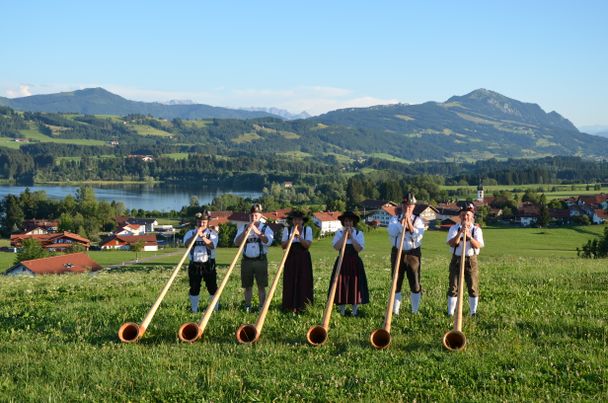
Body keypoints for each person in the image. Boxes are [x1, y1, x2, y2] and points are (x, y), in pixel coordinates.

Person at [387, 193, 425, 315]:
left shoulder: (418, 220)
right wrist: (402, 222)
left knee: (415, 282)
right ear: (402, 205)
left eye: (410, 205)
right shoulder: (394, 219)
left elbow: (417, 236)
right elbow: (392, 232)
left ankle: (414, 311)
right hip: (397, 252)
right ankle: (395, 311)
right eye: (405, 205)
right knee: (396, 281)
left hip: (413, 253)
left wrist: (408, 222)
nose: (407, 207)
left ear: (413, 206)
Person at [234, 203, 274, 313]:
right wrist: (246, 231)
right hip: (246, 260)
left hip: (260, 260)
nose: (253, 217)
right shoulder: (243, 227)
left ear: (260, 216)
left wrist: (256, 231)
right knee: (247, 286)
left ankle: (261, 308)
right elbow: (237, 242)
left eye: (256, 215)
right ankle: (247, 307)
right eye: (252, 215)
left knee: (261, 286)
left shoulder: (266, 227)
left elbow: (268, 241)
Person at [446, 202, 485, 316]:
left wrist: (469, 237)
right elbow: (452, 243)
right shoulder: (454, 228)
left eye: (468, 214)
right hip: (456, 259)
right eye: (463, 214)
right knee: (453, 286)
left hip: (470, 260)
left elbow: (478, 245)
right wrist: (460, 233)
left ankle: (473, 312)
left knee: (472, 286)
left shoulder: (476, 230)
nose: (465, 217)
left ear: (472, 216)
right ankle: (450, 313)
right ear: (460, 216)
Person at [331, 211, 368, 317]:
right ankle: (342, 311)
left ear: (353, 222)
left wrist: (351, 237)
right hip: (342, 261)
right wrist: (344, 237)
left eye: (350, 221)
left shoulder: (358, 233)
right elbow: (336, 247)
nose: (348, 223)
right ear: (343, 222)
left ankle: (354, 311)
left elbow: (359, 248)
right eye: (346, 221)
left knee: (355, 285)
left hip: (354, 262)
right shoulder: (339, 233)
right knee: (341, 284)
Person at [183, 210, 219, 313]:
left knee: (212, 287)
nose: (201, 224)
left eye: (203, 222)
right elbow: (186, 245)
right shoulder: (190, 233)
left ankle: (215, 309)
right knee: (194, 287)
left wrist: (202, 236)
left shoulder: (212, 234)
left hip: (208, 263)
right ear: (196, 222)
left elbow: (212, 245)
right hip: (194, 263)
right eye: (199, 222)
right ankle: (194, 309)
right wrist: (195, 235)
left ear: (207, 222)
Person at [281, 210, 314, 313]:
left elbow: (307, 245)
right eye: (295, 219)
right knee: (290, 280)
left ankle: (303, 306)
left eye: (299, 220)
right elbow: (283, 246)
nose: (297, 222)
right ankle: (289, 306)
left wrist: (299, 236)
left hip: (303, 257)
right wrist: (291, 237)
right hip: (291, 257)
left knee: (304, 280)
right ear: (292, 221)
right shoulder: (287, 230)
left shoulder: (307, 229)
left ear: (302, 221)